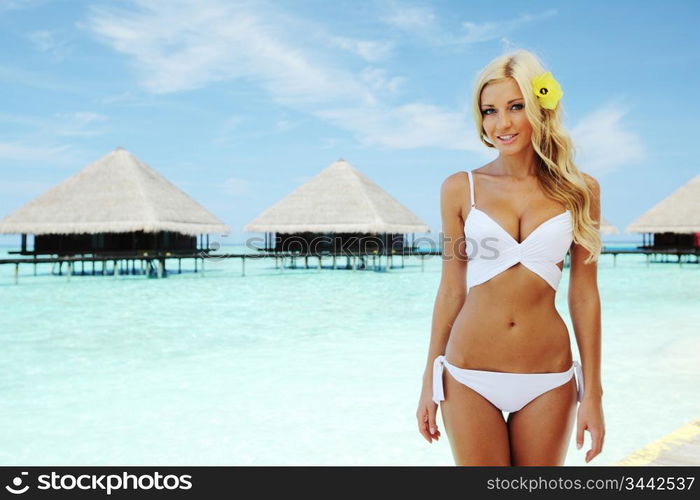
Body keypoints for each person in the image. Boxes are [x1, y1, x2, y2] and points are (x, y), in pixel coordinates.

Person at [416, 49, 605, 466]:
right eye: (489, 111)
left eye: (515, 107)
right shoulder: (459, 189)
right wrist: (429, 379)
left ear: (540, 109)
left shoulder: (581, 192)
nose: (501, 123)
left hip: (549, 379)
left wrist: (594, 392)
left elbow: (585, 297)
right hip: (467, 375)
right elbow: (450, 289)